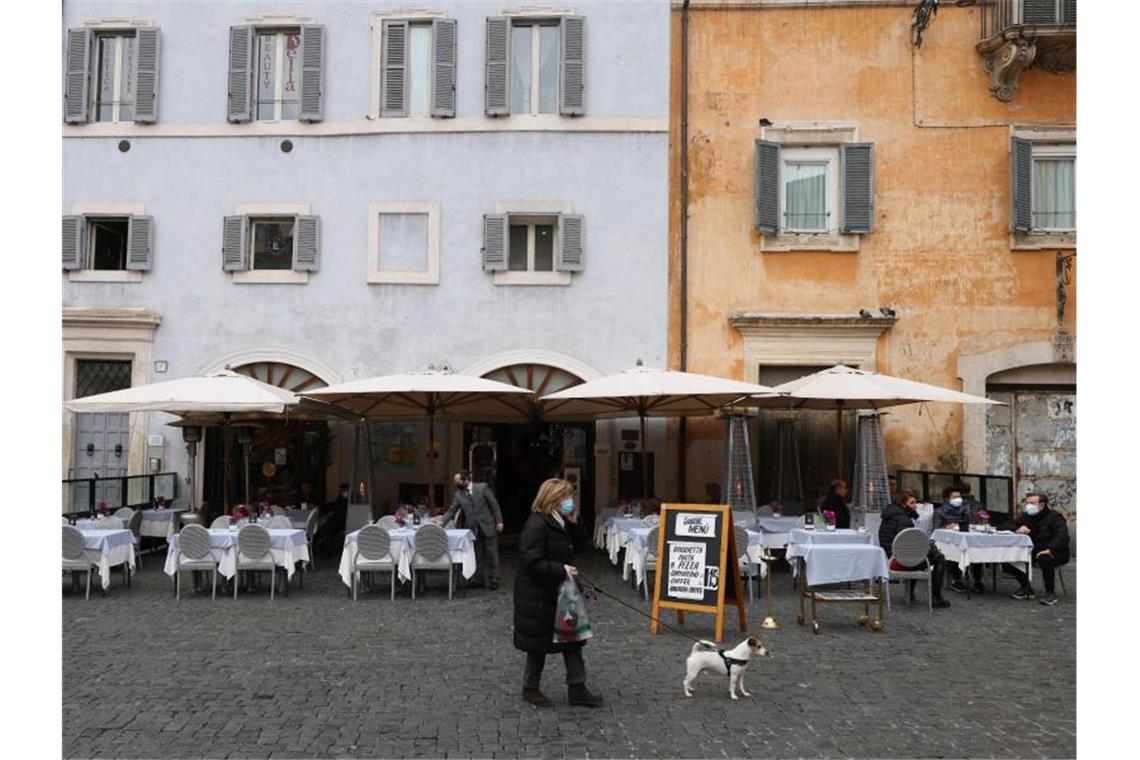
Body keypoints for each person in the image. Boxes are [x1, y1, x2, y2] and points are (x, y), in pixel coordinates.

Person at [513, 477, 602, 708]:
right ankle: (530, 687)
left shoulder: (561, 521)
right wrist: (561, 569)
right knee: (538, 644)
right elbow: (530, 562)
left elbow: (580, 546)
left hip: (562, 591)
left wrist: (575, 522)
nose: (570, 501)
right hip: (539, 595)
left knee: (573, 639)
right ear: (553, 500)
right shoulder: (537, 524)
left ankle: (578, 688)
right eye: (566, 497)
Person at [879, 490, 951, 608]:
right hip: (900, 561)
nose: (915, 506)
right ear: (903, 504)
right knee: (939, 558)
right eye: (912, 503)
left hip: (890, 558)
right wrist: (929, 549)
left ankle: (911, 593)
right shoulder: (904, 520)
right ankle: (936, 597)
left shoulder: (888, 516)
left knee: (920, 555)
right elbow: (909, 546)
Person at [435, 470, 504, 589]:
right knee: (477, 554)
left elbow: (494, 505)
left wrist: (499, 521)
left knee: (492, 553)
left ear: (466, 479)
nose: (456, 484)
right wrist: (441, 523)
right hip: (473, 528)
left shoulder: (482, 488)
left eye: (458, 481)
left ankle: (494, 578)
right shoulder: (459, 495)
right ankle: (478, 579)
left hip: (488, 525)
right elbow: (452, 511)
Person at [1002, 492, 1070, 606]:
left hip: (1056, 552)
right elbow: (1006, 525)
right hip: (1033, 550)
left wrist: (1050, 549)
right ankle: (1025, 587)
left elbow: (1062, 536)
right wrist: (1018, 528)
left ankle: (1050, 592)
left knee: (1044, 558)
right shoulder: (1028, 516)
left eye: (1032, 503)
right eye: (1027, 503)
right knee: (1008, 557)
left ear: (1042, 505)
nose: (1028, 505)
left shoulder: (1055, 517)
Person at [934, 485, 985, 594]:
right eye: (955, 497)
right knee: (954, 551)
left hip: (966, 537)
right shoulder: (940, 511)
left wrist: (976, 520)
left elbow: (971, 523)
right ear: (947, 499)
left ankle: (977, 580)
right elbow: (935, 529)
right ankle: (955, 579)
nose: (958, 499)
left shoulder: (966, 509)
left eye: (959, 496)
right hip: (948, 541)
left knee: (976, 551)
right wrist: (946, 527)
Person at [315, 483, 348, 557]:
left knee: (329, 530)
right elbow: (334, 505)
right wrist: (322, 507)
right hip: (335, 521)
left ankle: (327, 551)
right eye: (342, 490)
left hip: (342, 522)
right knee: (327, 527)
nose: (343, 492)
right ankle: (322, 546)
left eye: (345, 490)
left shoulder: (350, 500)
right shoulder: (340, 498)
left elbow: (341, 511)